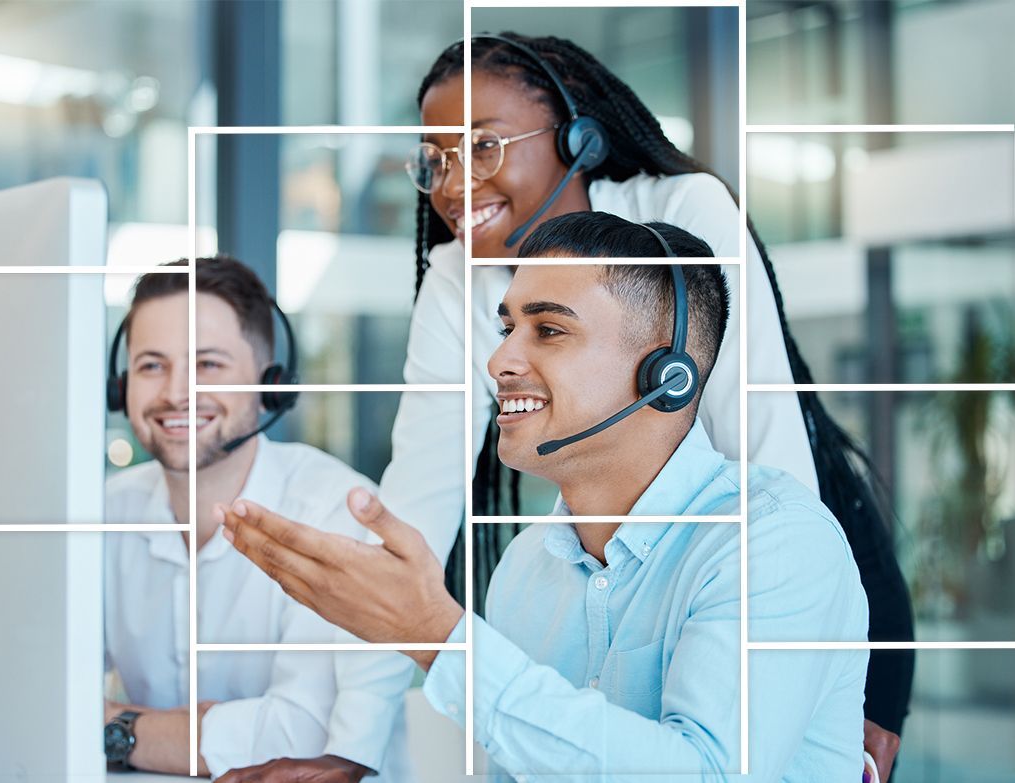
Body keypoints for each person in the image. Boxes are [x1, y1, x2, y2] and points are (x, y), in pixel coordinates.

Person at [382, 33, 912, 766]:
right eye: (435, 160)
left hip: (798, 546)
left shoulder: (679, 215)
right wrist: (344, 740)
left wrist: (802, 685)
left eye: (483, 147)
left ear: (578, 136)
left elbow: (763, 441)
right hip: (637, 562)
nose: (451, 183)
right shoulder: (454, 275)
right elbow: (416, 498)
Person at [220, 213, 871, 780]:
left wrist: (438, 638)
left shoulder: (774, 542)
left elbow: (709, 774)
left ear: (665, 376)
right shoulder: (526, 569)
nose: (499, 360)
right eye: (506, 327)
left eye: (548, 330)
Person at [103, 257, 411, 781]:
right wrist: (195, 733)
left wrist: (117, 728)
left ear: (270, 384)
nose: (177, 393)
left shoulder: (338, 512)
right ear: (122, 385)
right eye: (152, 365)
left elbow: (303, 738)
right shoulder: (107, 511)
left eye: (208, 365)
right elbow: (40, 695)